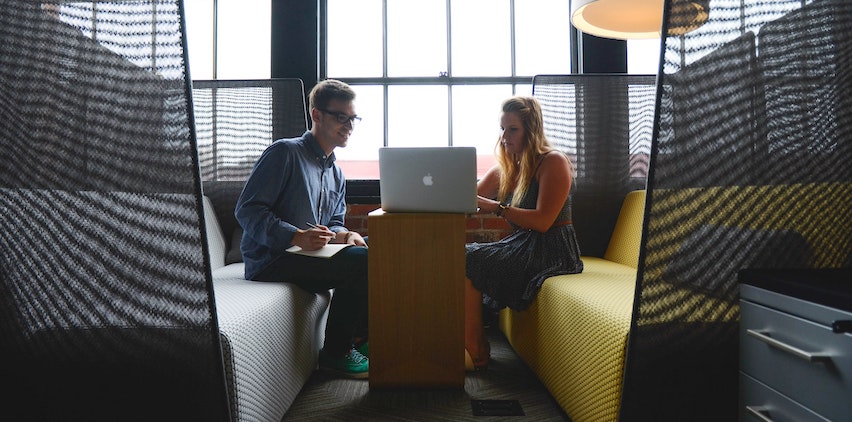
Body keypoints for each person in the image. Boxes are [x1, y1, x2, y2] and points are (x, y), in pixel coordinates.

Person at [234, 79, 370, 379]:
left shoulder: (336, 173)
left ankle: (361, 338)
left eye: (353, 118)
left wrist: (345, 235)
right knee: (365, 262)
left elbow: (333, 222)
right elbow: (248, 210)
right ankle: (336, 353)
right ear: (317, 115)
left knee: (377, 247)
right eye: (341, 117)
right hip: (273, 258)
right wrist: (296, 236)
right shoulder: (284, 153)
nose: (349, 125)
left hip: (310, 255)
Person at [464, 96, 584, 371]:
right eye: (502, 129)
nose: (504, 136)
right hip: (523, 243)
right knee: (464, 256)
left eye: (512, 129)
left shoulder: (553, 162)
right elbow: (468, 200)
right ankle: (474, 343)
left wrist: (497, 208)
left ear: (531, 130)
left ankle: (475, 348)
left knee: (468, 259)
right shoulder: (506, 168)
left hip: (553, 248)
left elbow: (543, 222)